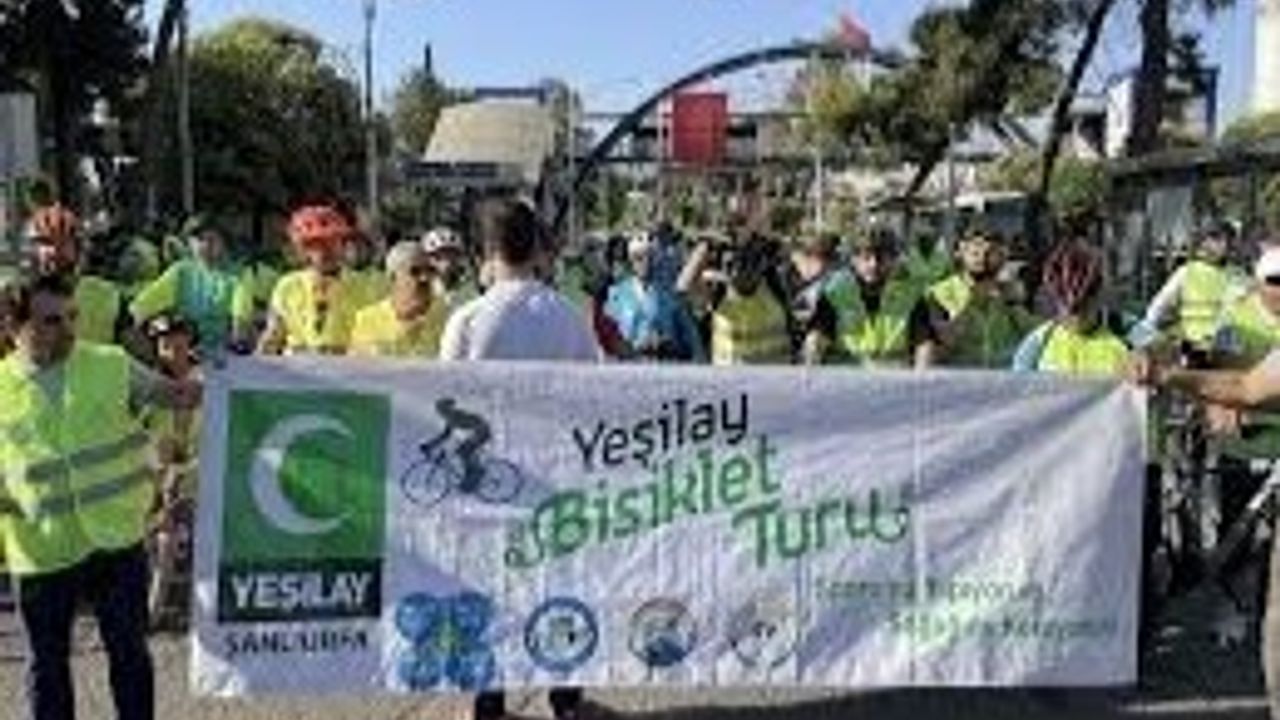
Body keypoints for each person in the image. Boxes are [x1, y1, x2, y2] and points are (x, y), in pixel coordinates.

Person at [0, 273, 200, 720]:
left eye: (72, 316)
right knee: (47, 668)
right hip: (41, 552)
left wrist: (235, 375)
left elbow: (178, 395)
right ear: (13, 326)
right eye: (52, 321)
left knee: (130, 657)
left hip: (116, 541)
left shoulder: (110, 363)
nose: (69, 329)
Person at [438, 199, 598, 720]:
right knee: (559, 583)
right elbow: (593, 395)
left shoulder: (467, 319)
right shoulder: (570, 317)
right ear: (536, 248)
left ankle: (490, 701)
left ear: (485, 252)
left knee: (490, 585)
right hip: (558, 471)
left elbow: (442, 399)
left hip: (488, 477)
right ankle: (565, 697)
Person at [129, 217, 252, 361]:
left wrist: (237, 338)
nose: (205, 245)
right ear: (188, 243)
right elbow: (140, 307)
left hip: (222, 353)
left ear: (224, 243)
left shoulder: (239, 275)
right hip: (182, 352)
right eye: (199, 240)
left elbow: (240, 321)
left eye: (212, 239)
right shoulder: (180, 271)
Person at [918, 226, 1037, 369]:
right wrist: (973, 303)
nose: (982, 257)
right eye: (975, 252)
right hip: (958, 380)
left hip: (1001, 379)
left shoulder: (1010, 295)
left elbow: (1036, 336)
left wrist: (1014, 306)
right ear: (960, 253)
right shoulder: (938, 295)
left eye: (991, 252)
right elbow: (935, 350)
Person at [257, 204, 365, 355]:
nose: (325, 251)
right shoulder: (287, 286)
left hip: (349, 366)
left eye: (332, 242)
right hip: (298, 366)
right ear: (303, 250)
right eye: (315, 245)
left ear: (342, 245)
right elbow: (273, 334)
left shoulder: (365, 286)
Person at [1132, 220, 1248, 359]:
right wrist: (1142, 337)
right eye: (1215, 239)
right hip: (1191, 348)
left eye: (1226, 240)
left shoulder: (1237, 276)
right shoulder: (1187, 272)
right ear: (1204, 242)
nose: (1222, 245)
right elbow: (1158, 307)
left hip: (1226, 349)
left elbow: (1245, 310)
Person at [1011, 241, 1128, 375]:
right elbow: (1018, 382)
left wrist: (1144, 355)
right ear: (1054, 301)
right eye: (1067, 308)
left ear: (1097, 296)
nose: (1076, 318)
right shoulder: (1038, 342)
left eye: (1083, 306)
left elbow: (1147, 344)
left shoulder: (1125, 330)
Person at [821, 229, 933, 367]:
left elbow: (924, 344)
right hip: (845, 377)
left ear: (893, 259)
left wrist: (921, 377)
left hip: (895, 377)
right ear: (854, 259)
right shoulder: (835, 291)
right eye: (866, 257)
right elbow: (817, 337)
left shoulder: (911, 294)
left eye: (881, 258)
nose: (873, 264)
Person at [680, 232, 791, 366]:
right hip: (729, 377)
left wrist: (774, 242)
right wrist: (705, 246)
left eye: (749, 262)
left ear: (762, 266)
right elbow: (683, 287)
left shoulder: (776, 287)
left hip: (776, 376)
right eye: (733, 264)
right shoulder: (719, 292)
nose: (739, 271)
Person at [25, 203, 123, 344]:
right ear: (32, 250)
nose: (54, 251)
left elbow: (136, 348)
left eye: (63, 243)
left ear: (78, 248)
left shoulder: (108, 294)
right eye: (46, 243)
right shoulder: (18, 298)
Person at [603, 233, 704, 362]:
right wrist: (632, 347)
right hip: (626, 367)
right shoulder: (616, 295)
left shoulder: (671, 297)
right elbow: (606, 337)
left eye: (650, 257)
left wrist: (667, 344)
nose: (645, 263)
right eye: (639, 258)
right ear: (630, 261)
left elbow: (691, 343)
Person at [349, 241, 450, 357]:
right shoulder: (368, 320)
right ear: (393, 277)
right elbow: (357, 365)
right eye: (415, 271)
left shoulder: (446, 317)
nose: (425, 278)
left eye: (430, 270)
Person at [423, 226, 480, 312]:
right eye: (438, 257)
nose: (446, 263)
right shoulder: (423, 288)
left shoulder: (470, 284)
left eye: (450, 255)